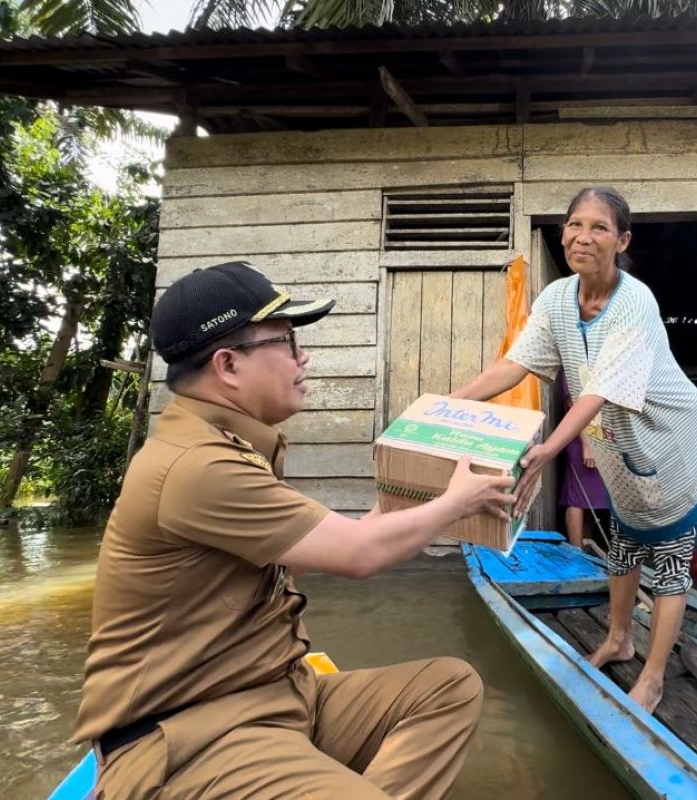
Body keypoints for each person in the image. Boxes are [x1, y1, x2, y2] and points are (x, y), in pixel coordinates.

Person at [74, 260, 515, 800]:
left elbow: (306, 554)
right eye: (286, 341)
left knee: (448, 688)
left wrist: (396, 507)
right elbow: (358, 558)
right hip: (198, 731)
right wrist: (455, 503)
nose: (303, 357)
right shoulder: (197, 465)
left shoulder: (231, 443)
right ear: (229, 365)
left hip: (277, 696)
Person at [452, 187, 697, 714]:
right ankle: (619, 638)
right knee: (624, 539)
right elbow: (515, 364)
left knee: (670, 557)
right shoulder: (556, 299)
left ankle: (654, 677)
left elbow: (595, 391)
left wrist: (546, 449)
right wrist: (448, 402)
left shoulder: (635, 301)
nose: (581, 237)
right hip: (615, 438)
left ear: (622, 240)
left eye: (599, 227)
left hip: (665, 438)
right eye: (574, 224)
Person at [558, 374, 609, 550]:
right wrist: (586, 445)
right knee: (578, 498)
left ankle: (586, 550)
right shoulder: (575, 365)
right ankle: (576, 552)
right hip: (583, 438)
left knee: (591, 501)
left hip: (600, 438)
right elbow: (574, 407)